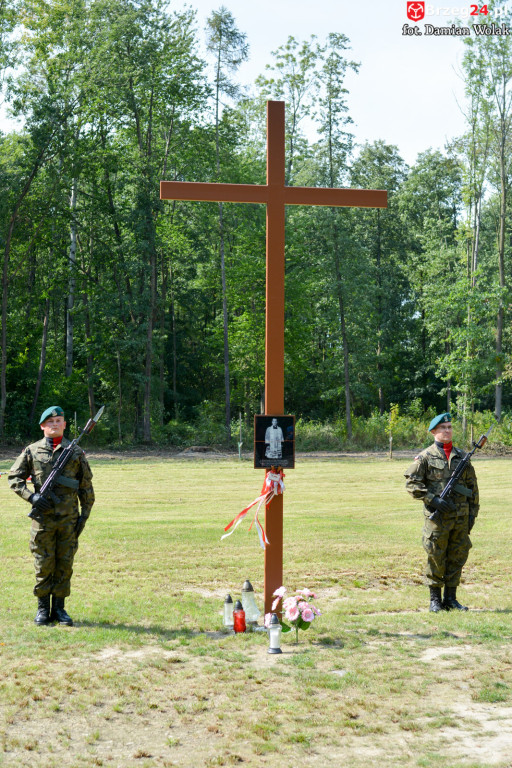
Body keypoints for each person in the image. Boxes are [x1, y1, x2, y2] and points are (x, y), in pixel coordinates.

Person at [8, 406, 95, 626]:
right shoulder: (32, 450)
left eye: (58, 421)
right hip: (43, 521)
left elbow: (85, 487)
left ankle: (60, 609)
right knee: (43, 564)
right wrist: (31, 497)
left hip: (68, 520)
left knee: (64, 565)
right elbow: (14, 478)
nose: (54, 424)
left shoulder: (75, 452)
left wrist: (84, 516)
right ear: (42, 426)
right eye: (50, 421)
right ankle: (42, 610)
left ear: (65, 425)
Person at [404, 412, 479, 613]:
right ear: (434, 431)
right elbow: (412, 483)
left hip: (461, 517)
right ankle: (435, 600)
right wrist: (433, 499)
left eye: (449, 427)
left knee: (458, 556)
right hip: (437, 519)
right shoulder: (425, 457)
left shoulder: (463, 456)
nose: (447, 430)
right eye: (443, 428)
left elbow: (472, 487)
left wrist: (473, 513)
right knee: (436, 556)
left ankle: (451, 599)